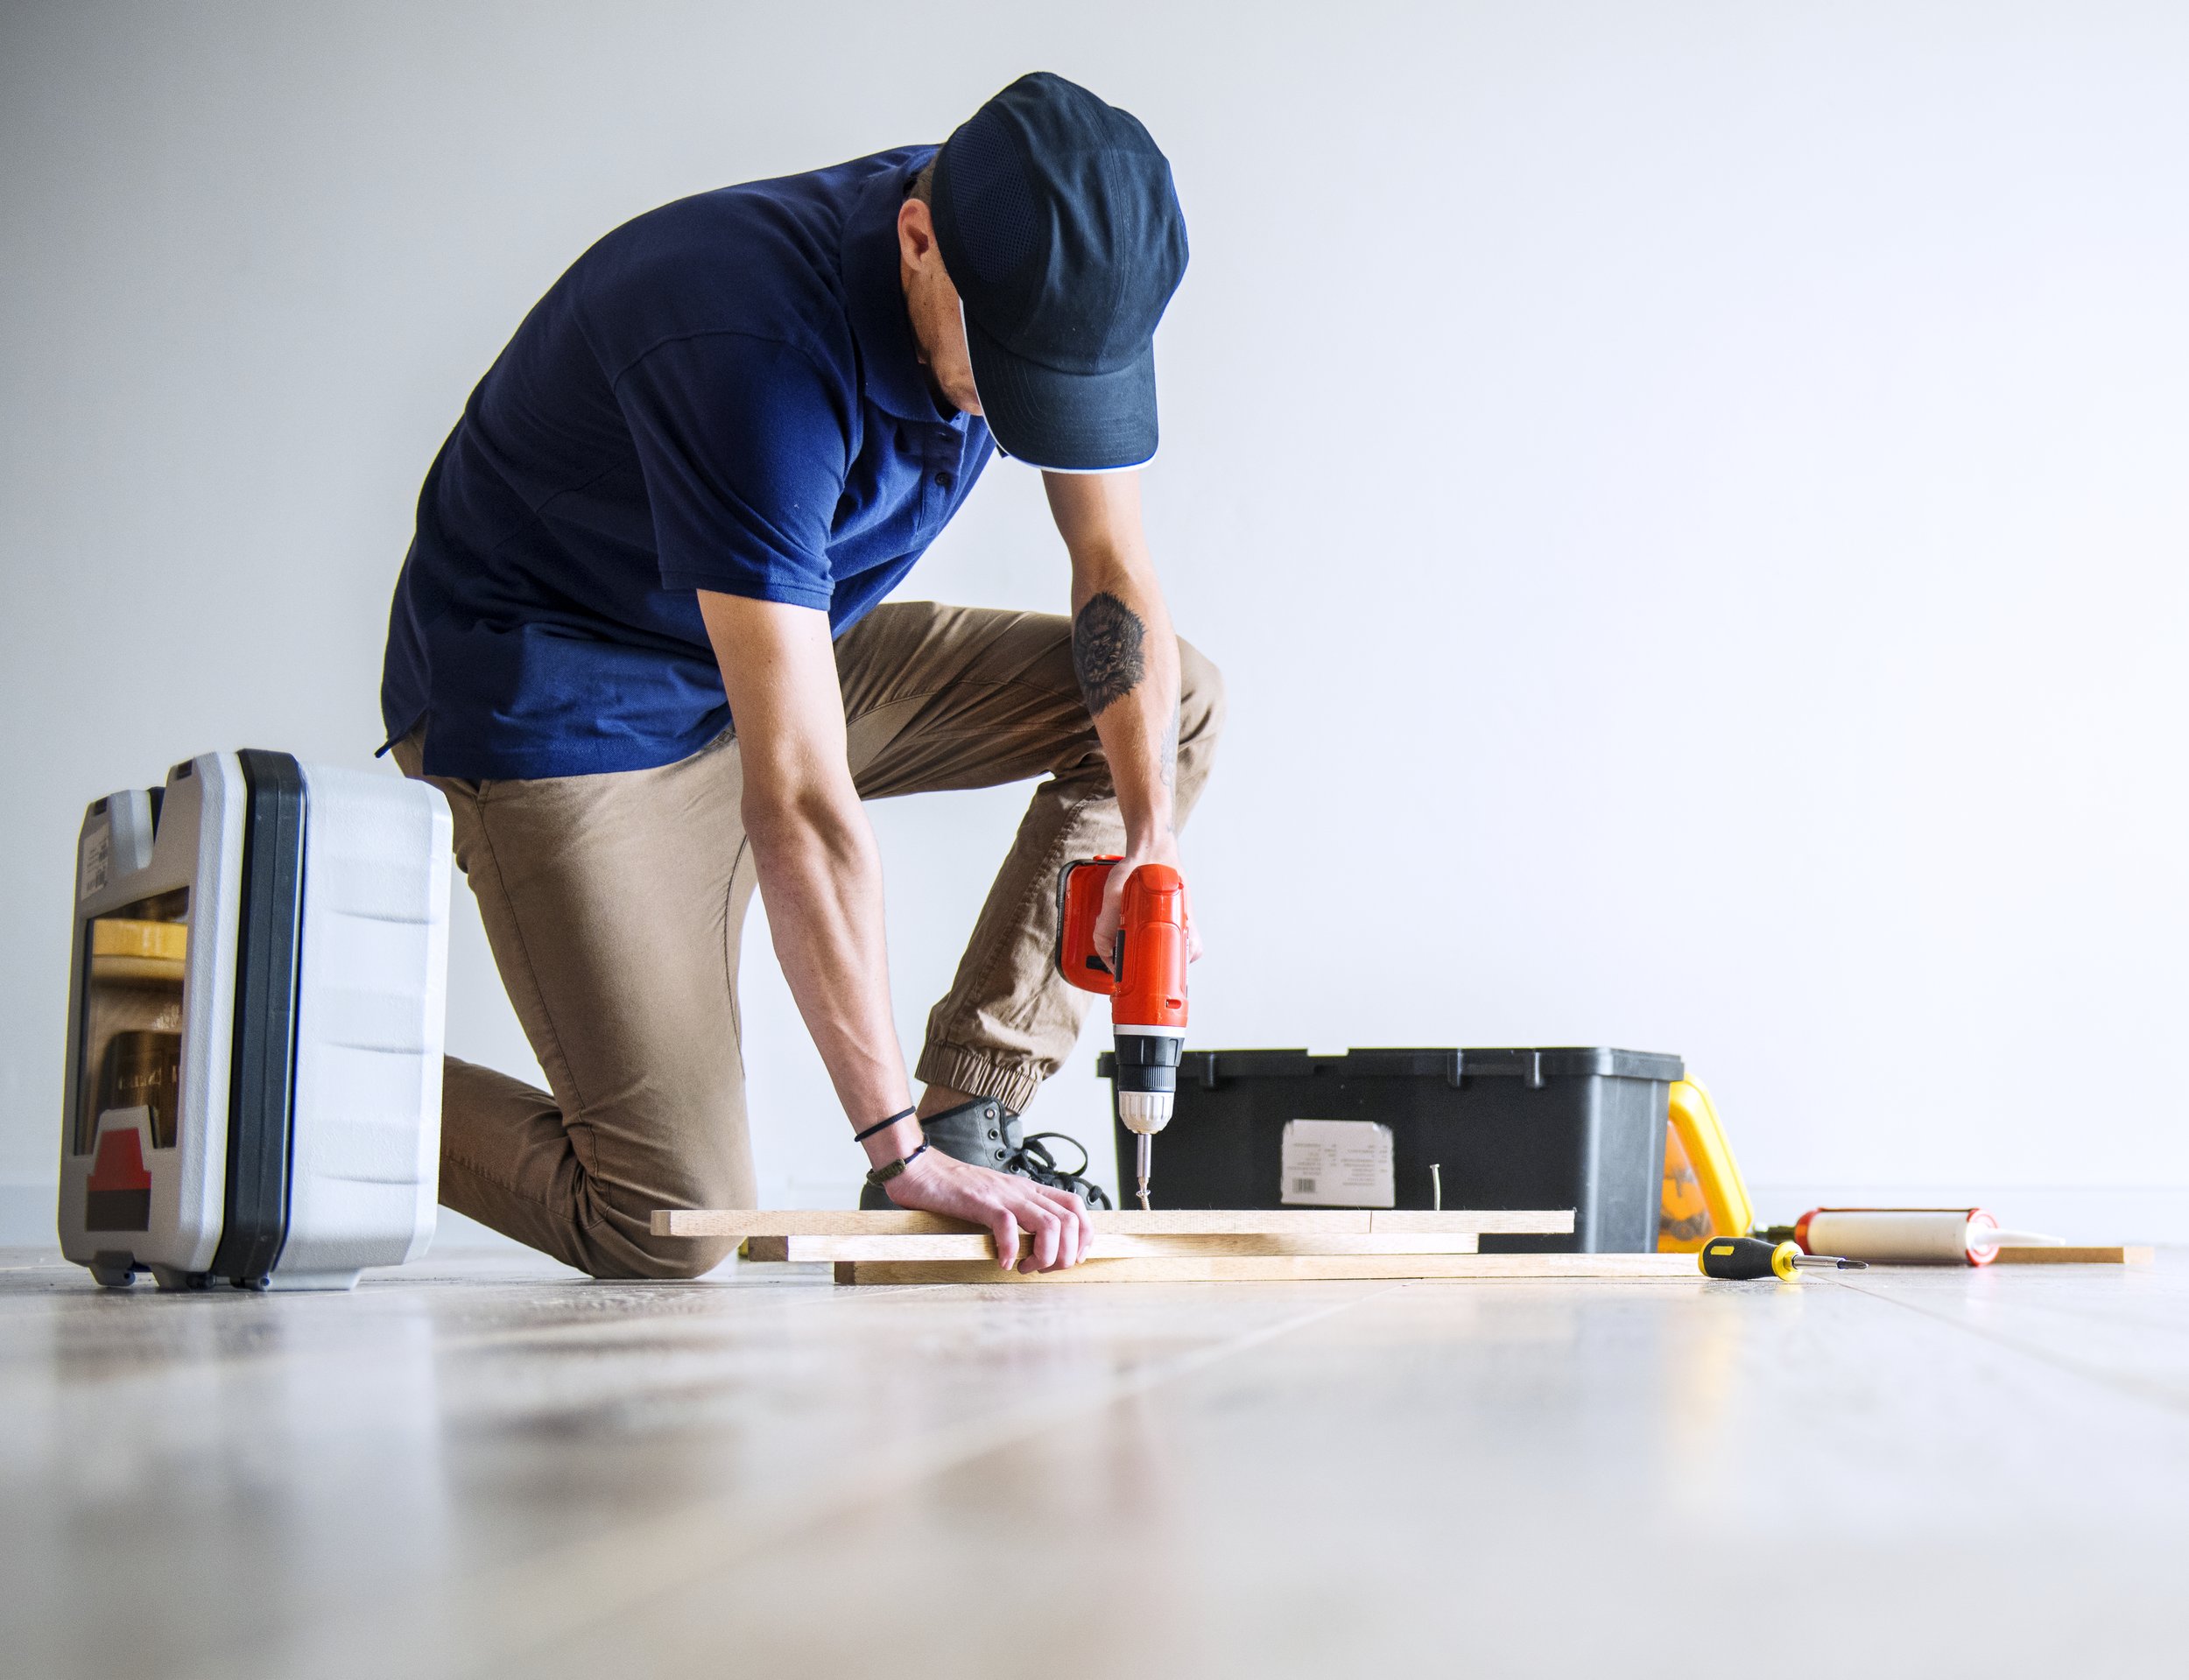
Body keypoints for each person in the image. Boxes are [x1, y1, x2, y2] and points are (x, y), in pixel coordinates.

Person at [378, 73, 1222, 1279]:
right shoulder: (748, 347)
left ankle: (968, 1111)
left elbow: (1112, 572)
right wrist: (891, 1161)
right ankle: (285, 1050)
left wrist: (1148, 841)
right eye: (1017, 378)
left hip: (778, 643)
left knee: (1168, 701)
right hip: (568, 708)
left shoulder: (1031, 249)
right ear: (917, 244)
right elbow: (803, 803)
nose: (1026, 415)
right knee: (666, 1220)